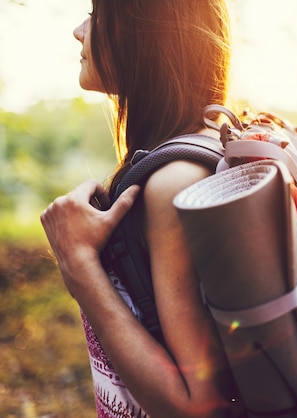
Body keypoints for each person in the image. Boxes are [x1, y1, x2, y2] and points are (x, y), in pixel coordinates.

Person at [40, 1, 242, 417]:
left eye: (96, 14)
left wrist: (77, 262)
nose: (79, 31)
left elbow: (197, 407)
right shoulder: (207, 143)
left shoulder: (174, 183)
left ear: (142, 30)